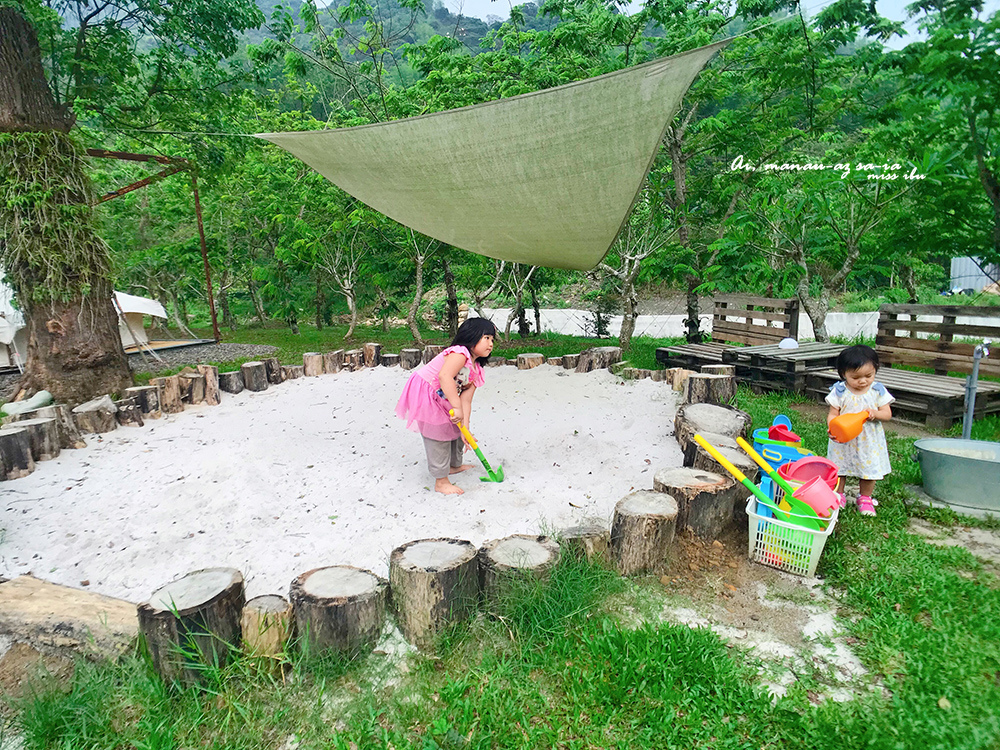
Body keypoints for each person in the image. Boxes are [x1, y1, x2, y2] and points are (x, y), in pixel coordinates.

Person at [396, 318, 496, 495]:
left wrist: (466, 427)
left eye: (492, 340)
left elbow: (466, 400)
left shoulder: (477, 369)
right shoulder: (459, 353)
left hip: (445, 396)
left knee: (457, 428)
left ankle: (453, 466)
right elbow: (444, 376)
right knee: (439, 432)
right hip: (427, 391)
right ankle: (441, 482)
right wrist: (456, 408)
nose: (490, 344)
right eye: (486, 337)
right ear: (471, 337)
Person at [825, 345, 894, 516]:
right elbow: (833, 414)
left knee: (868, 469)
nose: (863, 381)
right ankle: (838, 494)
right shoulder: (840, 392)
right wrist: (832, 428)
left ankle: (865, 498)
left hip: (868, 439)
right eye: (855, 377)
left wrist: (875, 413)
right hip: (844, 439)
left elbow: (887, 414)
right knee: (839, 468)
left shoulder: (877, 391)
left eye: (868, 376)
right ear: (843, 374)